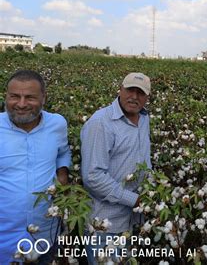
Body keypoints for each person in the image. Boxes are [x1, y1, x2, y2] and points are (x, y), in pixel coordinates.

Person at [0, 70, 71, 264]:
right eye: (14, 96)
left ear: (43, 98)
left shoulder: (57, 124)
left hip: (44, 236)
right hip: (4, 241)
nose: (21, 104)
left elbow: (63, 151)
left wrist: (62, 171)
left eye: (30, 97)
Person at [81, 72, 152, 264]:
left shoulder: (144, 119)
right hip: (106, 226)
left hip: (134, 222)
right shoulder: (100, 123)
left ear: (147, 97)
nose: (134, 97)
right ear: (120, 89)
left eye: (141, 93)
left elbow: (144, 160)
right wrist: (134, 199)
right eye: (130, 90)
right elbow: (93, 176)